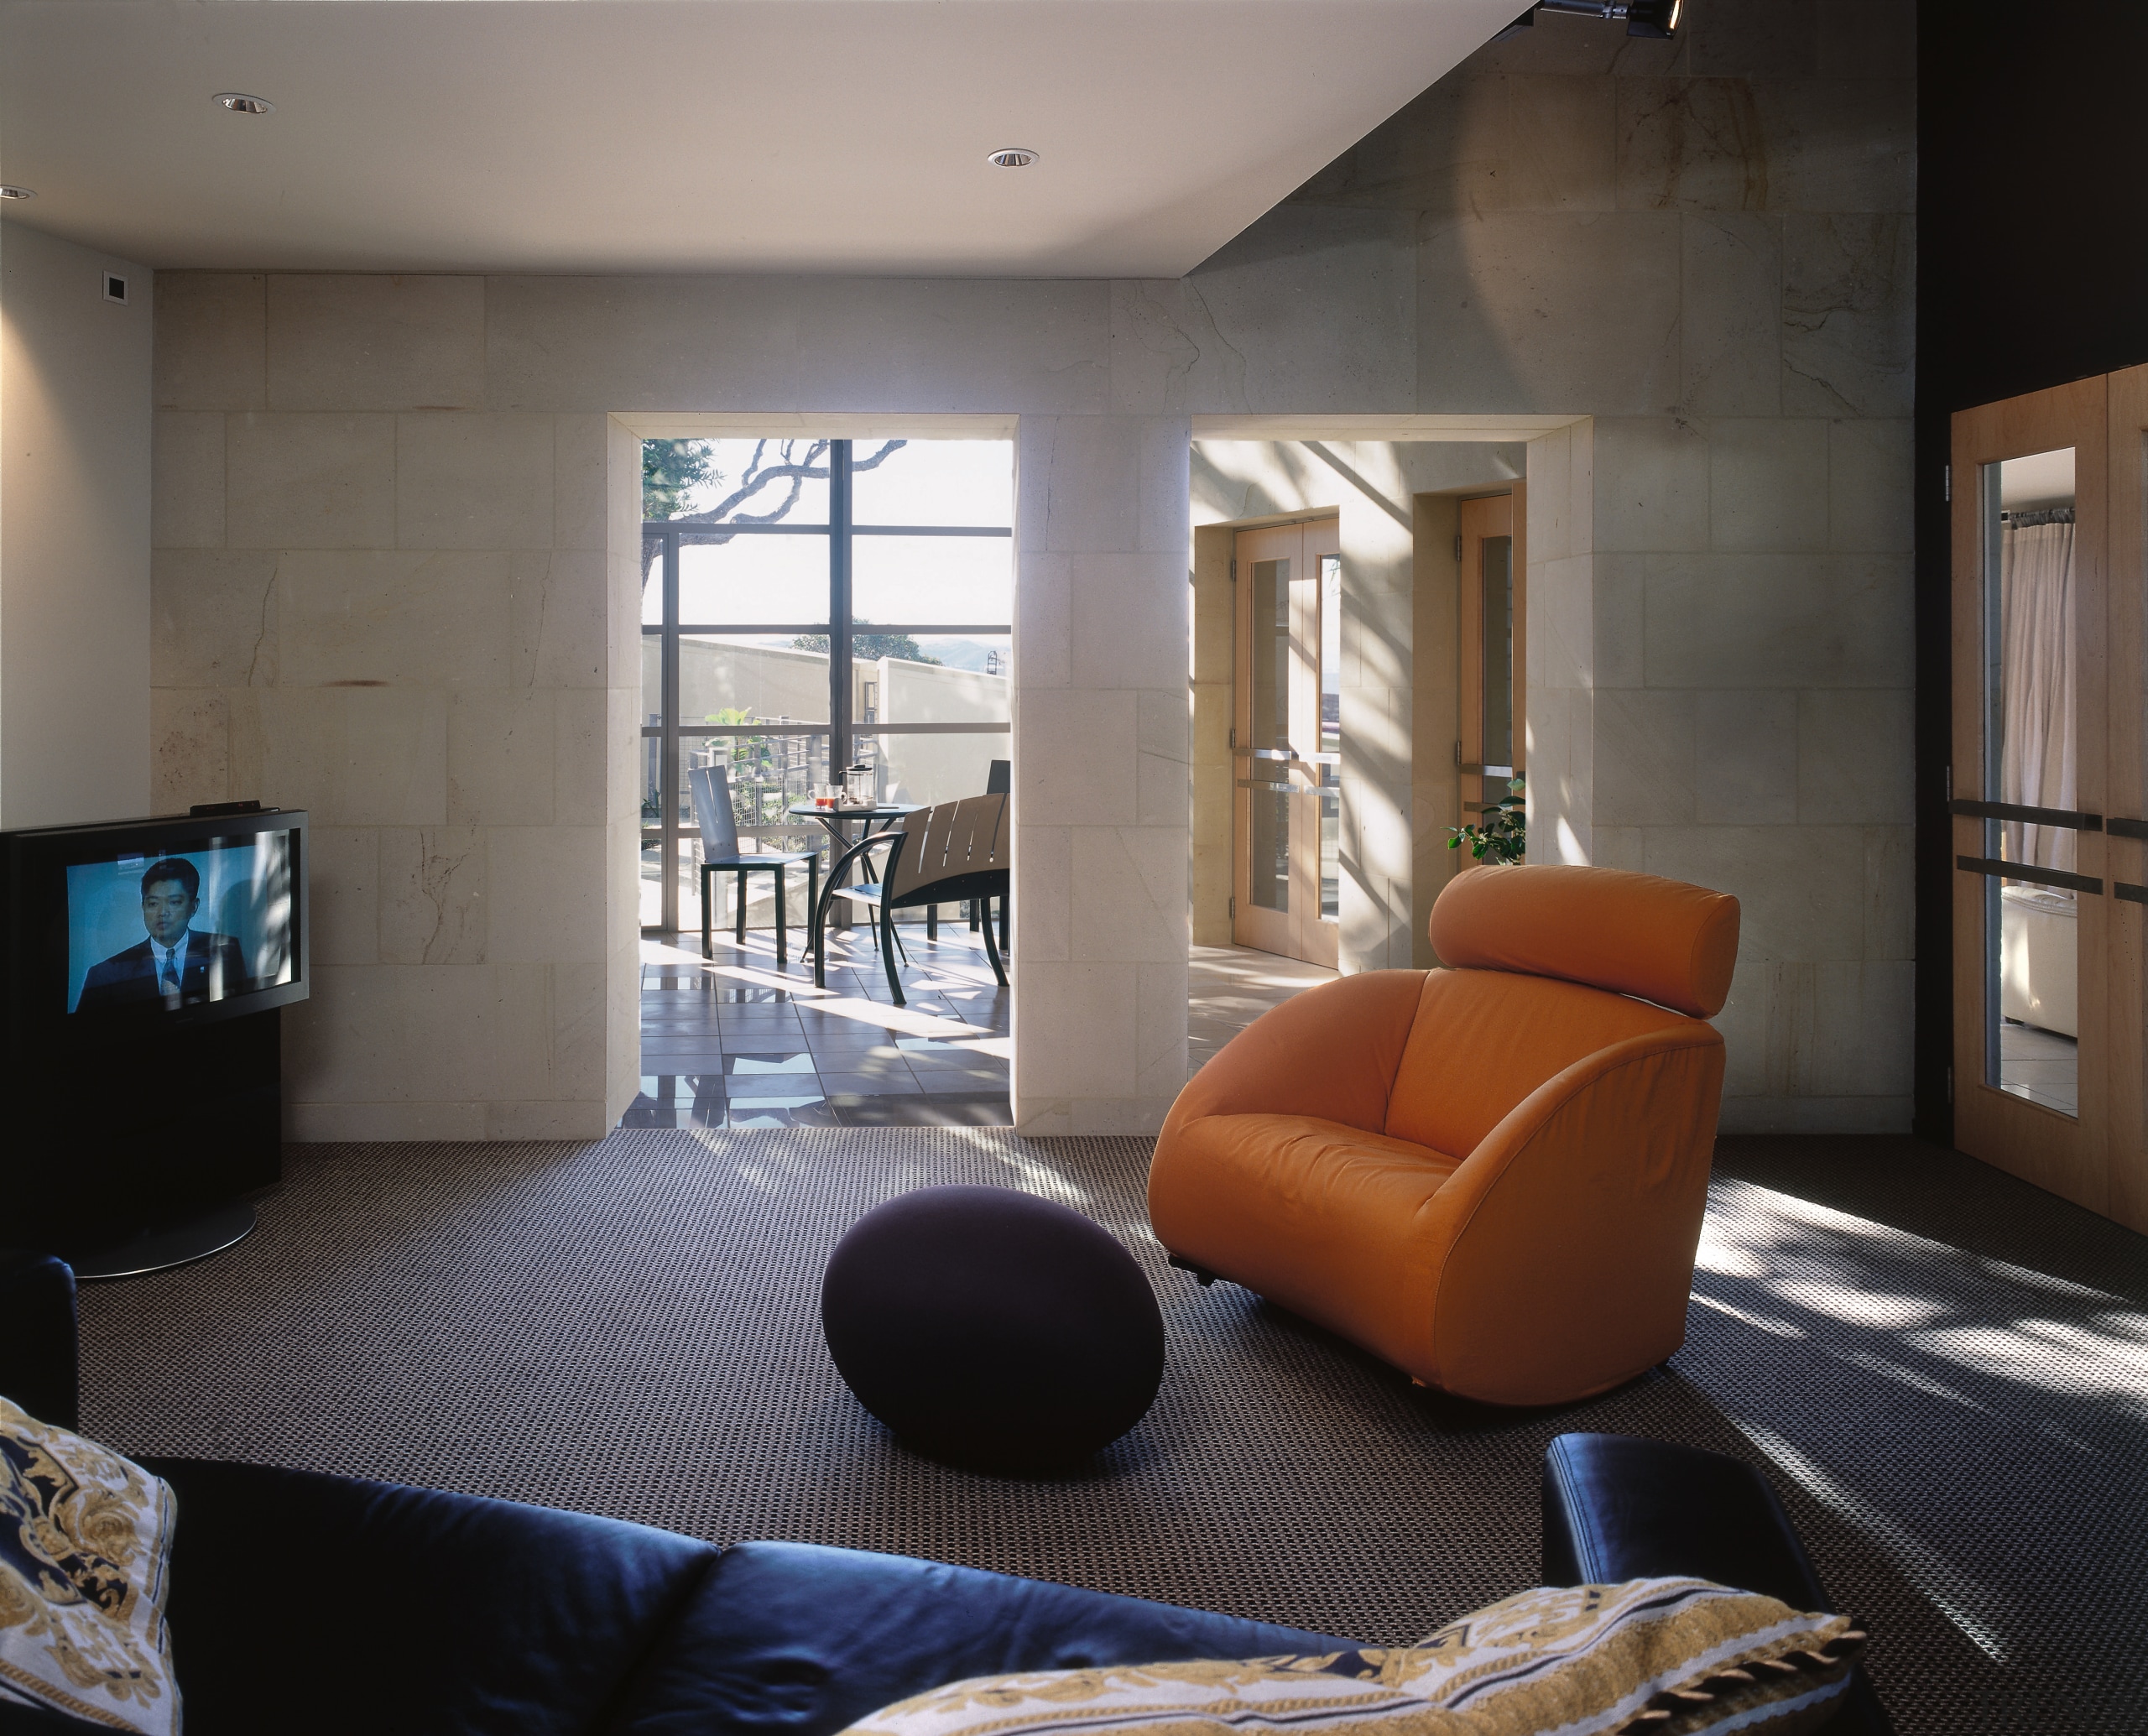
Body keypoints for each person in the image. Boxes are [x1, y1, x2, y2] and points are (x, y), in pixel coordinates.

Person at [75, 858, 248, 1012]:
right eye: (153, 904)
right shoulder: (105, 974)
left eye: (174, 902)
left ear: (193, 907)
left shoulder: (226, 951)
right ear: (143, 907)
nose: (162, 912)